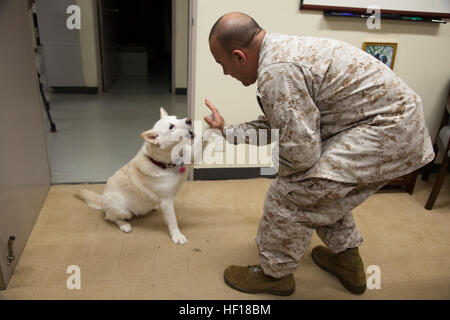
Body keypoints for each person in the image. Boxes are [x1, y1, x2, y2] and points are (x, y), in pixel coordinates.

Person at [204, 12, 434, 296]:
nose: (225, 72)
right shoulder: (279, 51)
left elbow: (301, 154)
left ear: (239, 56)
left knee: (290, 194)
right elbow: (281, 126)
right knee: (322, 191)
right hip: (393, 128)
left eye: (222, 64)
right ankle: (347, 261)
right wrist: (226, 131)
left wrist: (288, 180)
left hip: (387, 132)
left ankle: (275, 275)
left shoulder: (275, 71)